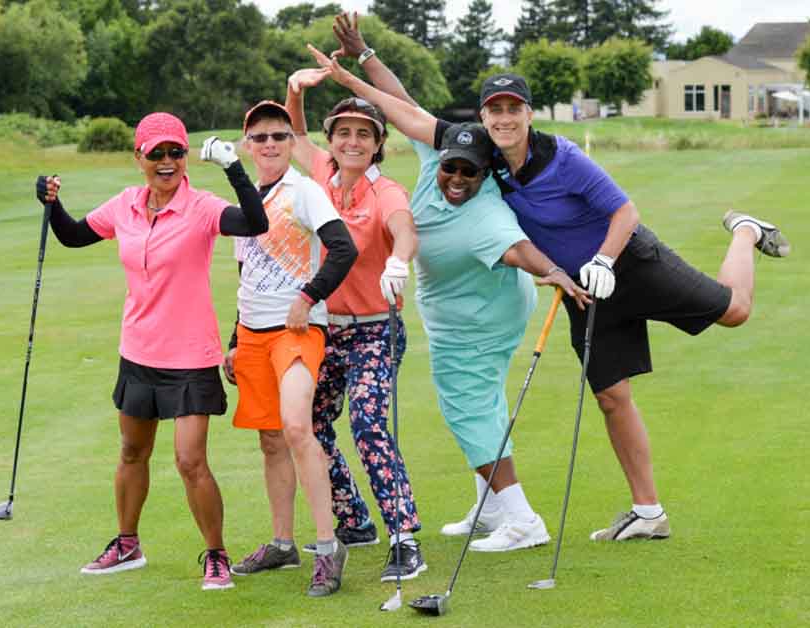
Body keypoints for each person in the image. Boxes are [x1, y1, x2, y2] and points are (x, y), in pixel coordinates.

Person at [471, 71, 792, 541]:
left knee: (735, 311)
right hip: (583, 290)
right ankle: (648, 512)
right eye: (494, 110)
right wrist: (363, 61)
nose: (504, 118)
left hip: (632, 262)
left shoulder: (563, 156)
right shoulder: (484, 160)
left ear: (529, 113)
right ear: (482, 117)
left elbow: (625, 211)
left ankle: (745, 230)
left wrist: (604, 258)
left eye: (513, 108)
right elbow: (414, 117)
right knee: (611, 395)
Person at [310, 40, 593, 553]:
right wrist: (366, 55)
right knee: (484, 402)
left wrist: (556, 273)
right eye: (451, 167)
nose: (456, 178)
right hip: (464, 306)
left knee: (467, 409)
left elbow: (521, 250)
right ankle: (488, 507)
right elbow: (406, 106)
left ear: (484, 174)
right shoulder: (432, 158)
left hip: (481, 317)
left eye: (469, 172)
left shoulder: (486, 218)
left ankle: (522, 520)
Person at [35, 112, 268, 590]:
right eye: (156, 153)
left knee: (190, 461)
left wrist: (233, 168)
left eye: (175, 152)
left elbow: (254, 222)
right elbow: (74, 234)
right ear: (138, 156)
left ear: (185, 156)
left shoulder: (202, 207)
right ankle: (127, 543)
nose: (166, 162)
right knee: (131, 451)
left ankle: (216, 554)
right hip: (139, 352)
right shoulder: (125, 205)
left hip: (190, 357)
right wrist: (51, 204)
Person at [280, 72, 427, 581]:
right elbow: (294, 136)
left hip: (374, 331)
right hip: (327, 330)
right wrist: (295, 91)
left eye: (364, 134)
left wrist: (399, 261)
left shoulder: (384, 190)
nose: (352, 142)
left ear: (378, 143)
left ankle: (404, 537)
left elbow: (403, 228)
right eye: (344, 132)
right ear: (332, 139)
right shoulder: (321, 173)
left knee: (367, 425)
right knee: (311, 425)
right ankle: (352, 519)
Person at [222, 100, 359, 597]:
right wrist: (236, 338)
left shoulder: (305, 191)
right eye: (260, 138)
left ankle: (328, 547)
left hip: (298, 329)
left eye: (279, 136)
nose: (271, 145)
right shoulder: (246, 199)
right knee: (271, 439)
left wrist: (308, 296)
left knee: (298, 428)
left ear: (289, 141)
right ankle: (283, 544)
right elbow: (247, 273)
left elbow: (344, 247)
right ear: (247, 146)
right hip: (255, 332)